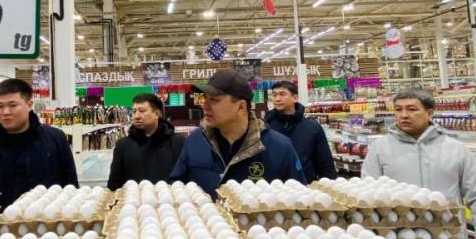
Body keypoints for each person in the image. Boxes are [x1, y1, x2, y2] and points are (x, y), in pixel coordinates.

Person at [362, 88, 476, 239]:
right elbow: (368, 198)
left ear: (429, 114)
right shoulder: (379, 149)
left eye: (412, 109)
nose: (403, 115)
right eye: (398, 109)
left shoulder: (455, 149)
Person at [170, 68, 305, 198]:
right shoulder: (195, 141)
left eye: (214, 100)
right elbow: (177, 189)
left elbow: (300, 199)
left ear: (241, 106)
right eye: (205, 98)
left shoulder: (279, 147)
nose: (204, 105)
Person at [0, 78, 78, 208]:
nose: (5, 112)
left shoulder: (55, 140)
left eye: (13, 105)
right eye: (0, 106)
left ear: (29, 105)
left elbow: (70, 187)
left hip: (45, 218)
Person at [107, 93, 186, 190]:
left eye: (142, 111)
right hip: (133, 198)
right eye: (134, 111)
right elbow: (114, 184)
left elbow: (186, 178)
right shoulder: (123, 145)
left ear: (157, 114)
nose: (136, 116)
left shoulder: (178, 143)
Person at [265, 81, 336, 182]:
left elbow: (325, 165)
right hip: (272, 187)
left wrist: (328, 186)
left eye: (282, 94)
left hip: (305, 187)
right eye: (274, 95)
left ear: (295, 98)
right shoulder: (265, 127)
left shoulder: (312, 128)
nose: (277, 99)